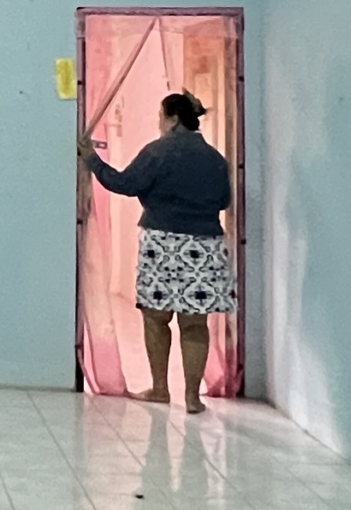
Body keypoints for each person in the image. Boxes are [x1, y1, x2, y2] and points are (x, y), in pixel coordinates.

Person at [80, 91, 235, 413]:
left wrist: (92, 160)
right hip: (204, 246)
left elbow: (124, 183)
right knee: (195, 323)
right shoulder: (215, 159)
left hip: (162, 243)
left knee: (156, 318)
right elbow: (224, 201)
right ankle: (192, 397)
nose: (159, 123)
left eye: (161, 117)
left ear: (173, 119)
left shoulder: (157, 152)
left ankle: (160, 389)